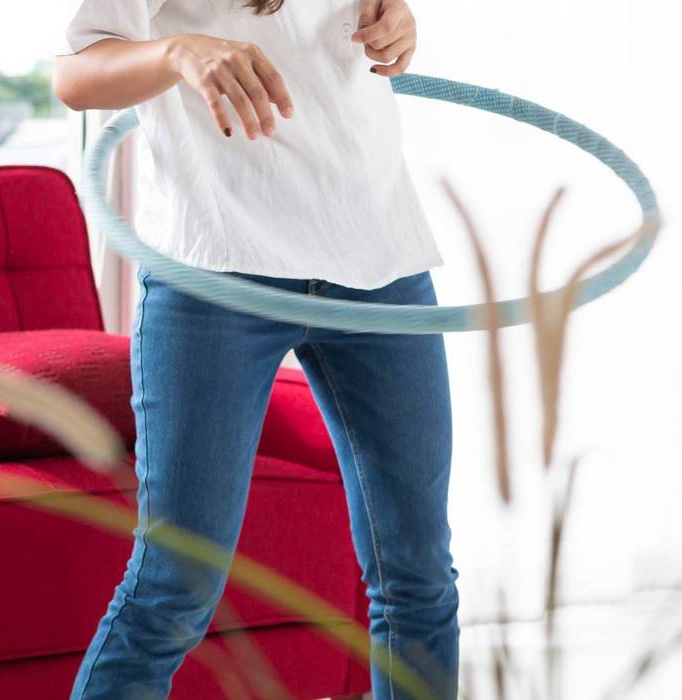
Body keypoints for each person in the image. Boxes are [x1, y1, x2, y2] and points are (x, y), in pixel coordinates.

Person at [55, 1, 458, 698]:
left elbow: (345, 40)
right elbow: (75, 75)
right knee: (175, 585)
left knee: (418, 574)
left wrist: (398, 25)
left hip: (375, 255)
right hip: (215, 266)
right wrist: (176, 51)